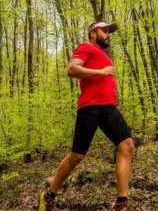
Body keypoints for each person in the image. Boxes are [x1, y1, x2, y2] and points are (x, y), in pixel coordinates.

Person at [38, 21, 136, 211]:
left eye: (110, 31)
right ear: (93, 33)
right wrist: (101, 72)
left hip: (108, 108)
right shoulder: (85, 47)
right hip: (90, 107)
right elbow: (72, 69)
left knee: (127, 145)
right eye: (105, 30)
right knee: (77, 156)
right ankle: (48, 196)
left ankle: (121, 204)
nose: (108, 34)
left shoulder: (105, 56)